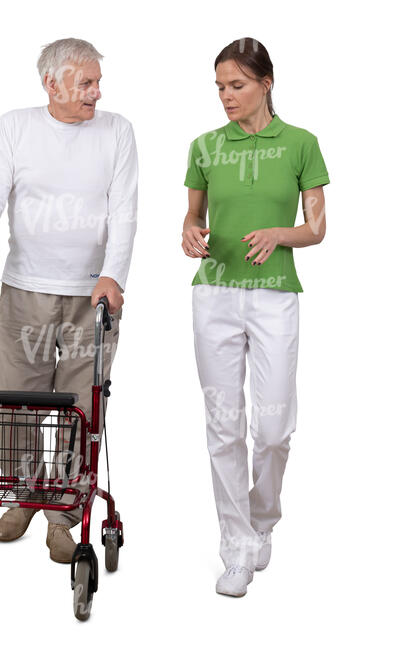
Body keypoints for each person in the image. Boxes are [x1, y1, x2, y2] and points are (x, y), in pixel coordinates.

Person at [0, 37, 138, 563]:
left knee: (81, 408)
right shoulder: (15, 127)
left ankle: (62, 514)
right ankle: (27, 496)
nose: (97, 92)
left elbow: (124, 210)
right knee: (15, 402)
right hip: (25, 289)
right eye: (86, 83)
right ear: (50, 84)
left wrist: (113, 275)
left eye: (98, 82)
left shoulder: (117, 132)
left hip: (90, 297)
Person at [182, 37, 329, 596]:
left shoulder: (301, 145)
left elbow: (316, 227)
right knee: (223, 426)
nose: (226, 96)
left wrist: (279, 233)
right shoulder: (203, 146)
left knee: (271, 428)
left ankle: (263, 518)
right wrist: (190, 234)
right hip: (214, 295)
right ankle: (237, 547)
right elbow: (191, 218)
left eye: (237, 85)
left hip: (274, 297)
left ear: (266, 83)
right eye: (220, 87)